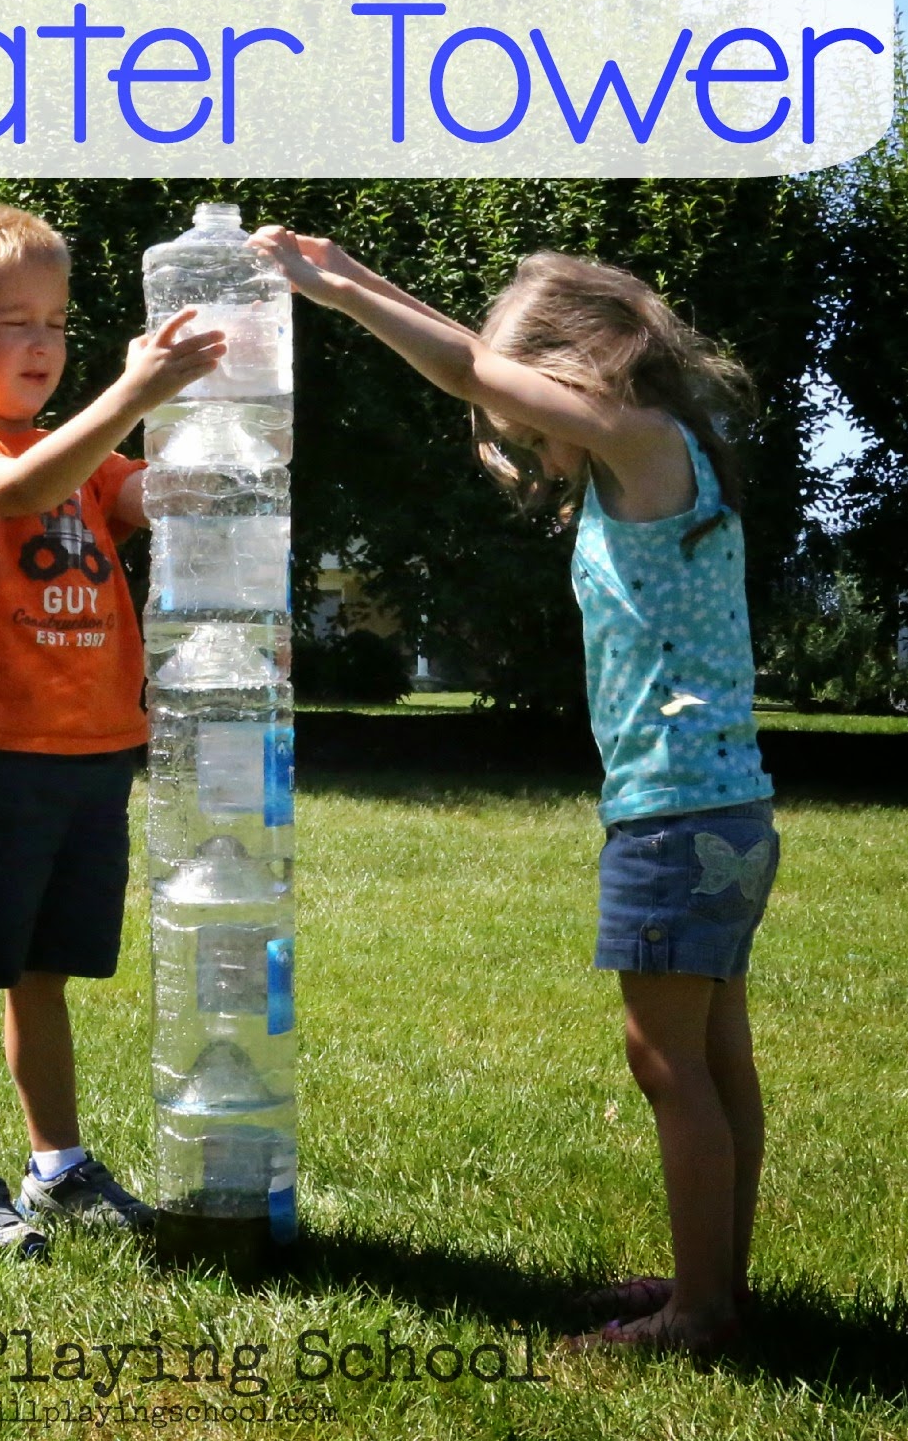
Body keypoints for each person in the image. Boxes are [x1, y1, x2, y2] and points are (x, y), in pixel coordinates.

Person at [248, 228, 778, 1355]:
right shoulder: (661, 452)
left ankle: (702, 1313)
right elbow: (484, 359)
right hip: (722, 812)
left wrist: (340, 296)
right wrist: (355, 264)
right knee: (714, 1052)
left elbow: (469, 365)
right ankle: (714, 1284)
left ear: (579, 370)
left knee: (667, 1058)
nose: (528, 444)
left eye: (534, 419)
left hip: (673, 818)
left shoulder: (640, 441)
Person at [0, 203, 224, 1258]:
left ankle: (57, 1166)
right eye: (12, 321)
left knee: (45, 975)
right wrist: (132, 391)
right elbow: (16, 489)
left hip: (94, 761)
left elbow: (158, 490)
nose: (41, 342)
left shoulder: (75, 451)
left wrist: (229, 412)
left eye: (55, 321)